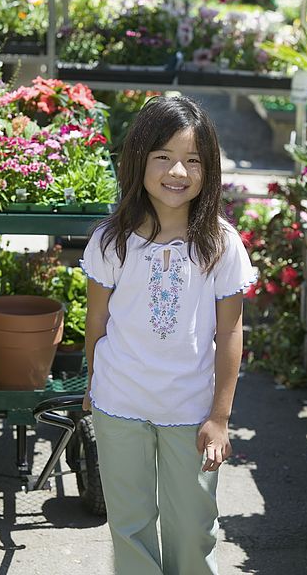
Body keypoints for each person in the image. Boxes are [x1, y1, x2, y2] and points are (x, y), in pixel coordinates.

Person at [79, 95, 256, 575]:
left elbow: (230, 330)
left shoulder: (221, 244)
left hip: (191, 411)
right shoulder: (111, 241)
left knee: (192, 530)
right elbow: (97, 323)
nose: (177, 172)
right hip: (120, 404)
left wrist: (220, 416)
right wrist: (95, 385)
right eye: (163, 157)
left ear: (208, 170)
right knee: (130, 528)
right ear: (139, 161)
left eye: (192, 161)